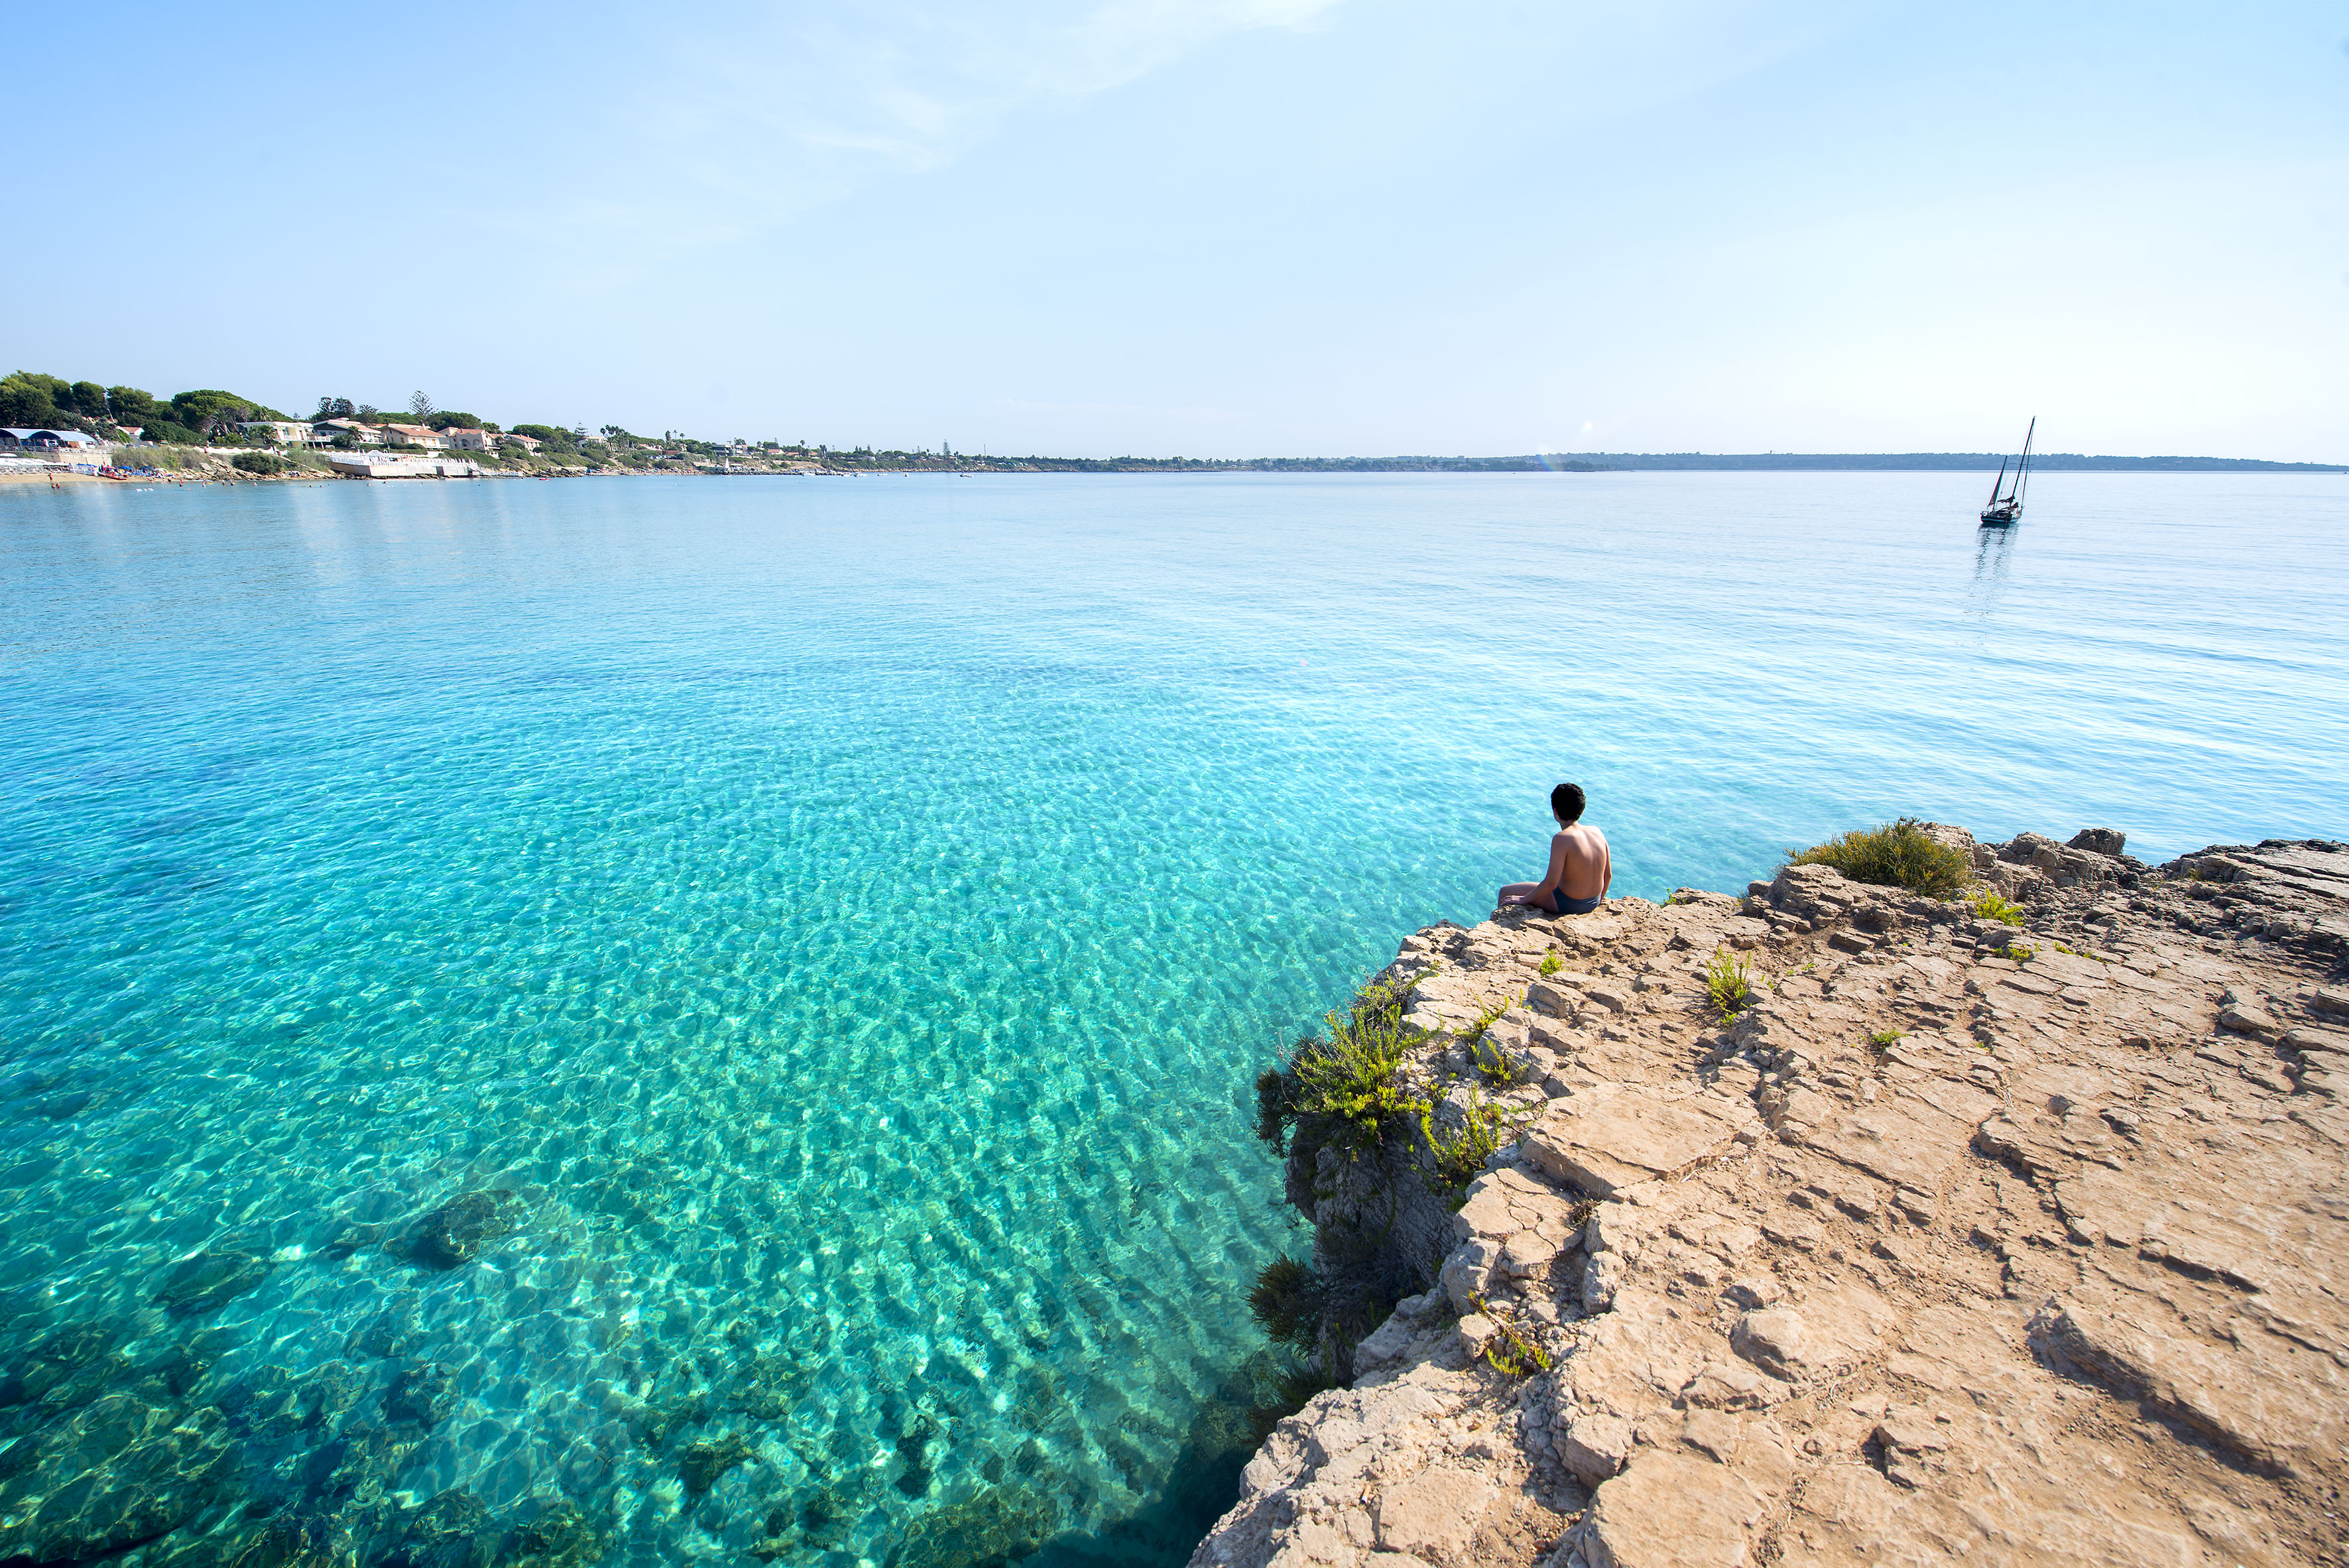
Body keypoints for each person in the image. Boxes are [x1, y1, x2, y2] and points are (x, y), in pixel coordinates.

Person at [1498, 782, 1610, 916]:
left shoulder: (1562, 839)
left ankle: (1498, 924)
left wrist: (1522, 899)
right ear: (1582, 809)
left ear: (1555, 811)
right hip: (1594, 901)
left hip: (1568, 904)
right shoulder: (1596, 831)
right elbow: (1608, 874)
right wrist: (1598, 901)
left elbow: (1551, 883)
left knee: (1505, 892)